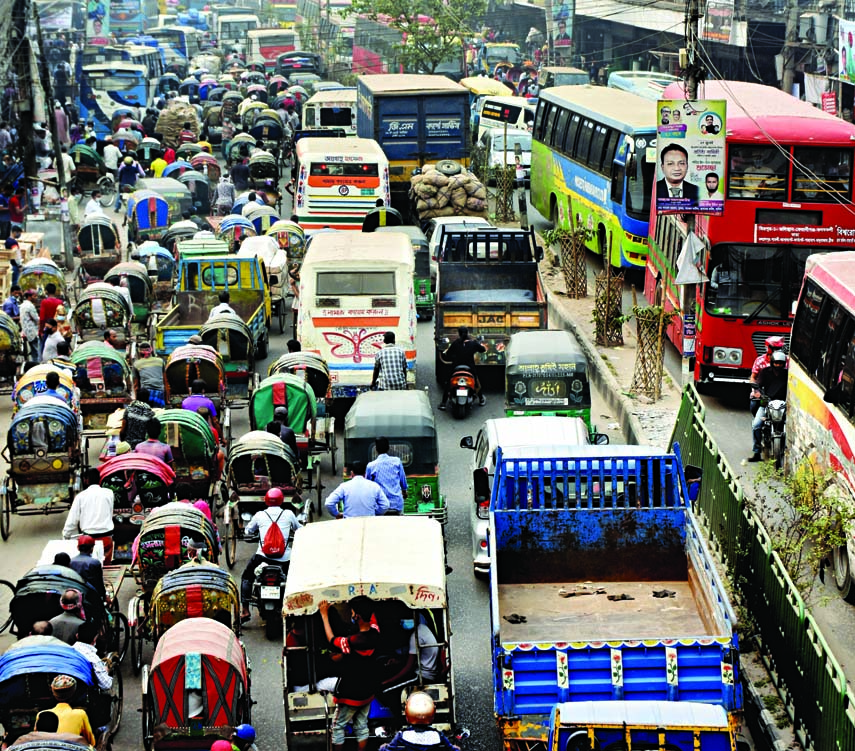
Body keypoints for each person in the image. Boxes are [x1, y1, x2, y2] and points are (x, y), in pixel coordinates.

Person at [318, 596, 382, 751]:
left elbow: (332, 640)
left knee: (338, 726)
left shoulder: (353, 641)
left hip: (351, 692)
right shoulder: (375, 632)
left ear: (356, 616)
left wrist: (324, 615)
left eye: (352, 612)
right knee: (362, 725)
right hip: (368, 690)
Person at [240, 488, 302, 622]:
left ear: (266, 500)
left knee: (247, 577)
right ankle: (297, 610)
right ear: (281, 500)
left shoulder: (259, 515)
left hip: (262, 557)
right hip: (284, 559)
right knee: (295, 579)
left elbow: (248, 530)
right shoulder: (289, 514)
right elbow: (300, 529)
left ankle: (245, 610)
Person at [63, 467, 115, 562]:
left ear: (86, 480)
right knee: (107, 567)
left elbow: (72, 520)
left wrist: (66, 536)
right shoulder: (109, 493)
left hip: (88, 541)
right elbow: (110, 513)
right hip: (106, 538)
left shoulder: (80, 497)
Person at [379, 693, 459, 751]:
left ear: (408, 714)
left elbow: (389, 749)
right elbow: (452, 749)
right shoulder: (438, 735)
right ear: (432, 714)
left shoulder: (402, 735)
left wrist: (383, 747)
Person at [749, 350, 788, 462]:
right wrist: (759, 394)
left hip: (783, 405)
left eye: (780, 363)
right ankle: (756, 451)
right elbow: (758, 385)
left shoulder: (787, 374)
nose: (778, 365)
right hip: (767, 404)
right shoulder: (765, 372)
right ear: (772, 362)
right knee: (756, 425)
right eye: (776, 363)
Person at [36, 676, 96, 746]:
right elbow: (91, 742)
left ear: (54, 693)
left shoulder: (42, 714)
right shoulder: (80, 714)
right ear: (73, 693)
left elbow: (37, 739)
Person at [439, 327, 487, 409]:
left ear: (459, 333)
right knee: (476, 382)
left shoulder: (455, 343)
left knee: (448, 383)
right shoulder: (473, 344)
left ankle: (443, 403)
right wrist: (478, 344)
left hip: (456, 367)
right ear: (467, 333)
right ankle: (481, 399)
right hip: (470, 368)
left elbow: (448, 354)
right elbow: (483, 350)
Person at [324, 463, 389, 518]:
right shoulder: (375, 486)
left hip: (349, 523)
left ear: (352, 473)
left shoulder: (344, 486)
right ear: (365, 473)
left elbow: (329, 503)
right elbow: (385, 505)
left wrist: (337, 514)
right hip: (369, 522)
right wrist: (375, 513)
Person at [365, 436, 407, 515]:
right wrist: (404, 491)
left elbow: (368, 486)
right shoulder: (397, 461)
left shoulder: (371, 466)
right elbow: (403, 481)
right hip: (396, 504)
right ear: (388, 448)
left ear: (376, 449)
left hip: (380, 506)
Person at [749, 336, 786, 415]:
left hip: (781, 394)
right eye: (775, 348)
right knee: (754, 405)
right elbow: (753, 377)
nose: (778, 365)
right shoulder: (760, 362)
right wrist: (756, 391)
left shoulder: (786, 361)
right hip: (764, 393)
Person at [72, 621, 112, 690]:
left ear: (77, 636)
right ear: (94, 640)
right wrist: (105, 671)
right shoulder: (93, 659)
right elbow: (107, 685)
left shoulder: (69, 650)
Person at [20, 288, 39, 362]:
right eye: (35, 296)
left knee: (32, 350)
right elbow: (36, 318)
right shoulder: (30, 306)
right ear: (29, 296)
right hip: (32, 331)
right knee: (36, 351)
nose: (36, 298)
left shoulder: (22, 305)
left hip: (26, 330)